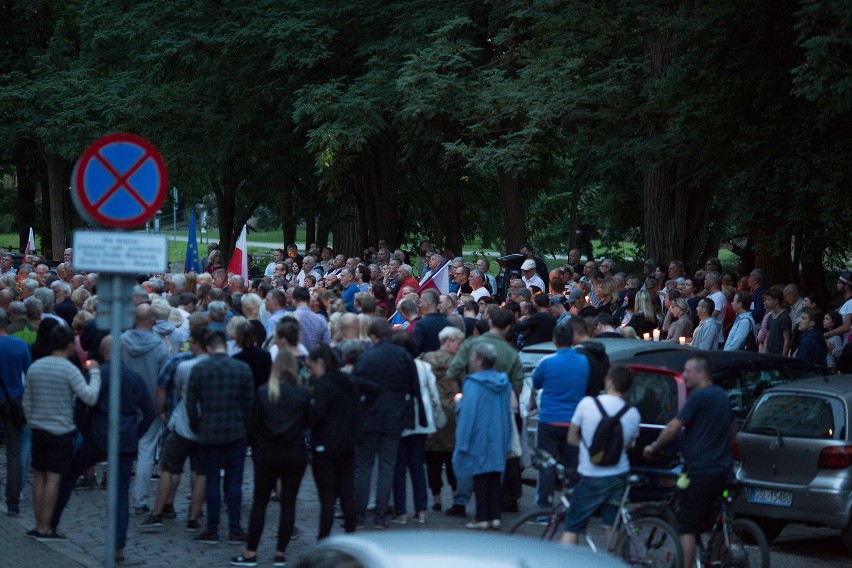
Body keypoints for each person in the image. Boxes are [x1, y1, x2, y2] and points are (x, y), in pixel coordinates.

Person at [52, 336, 154, 564]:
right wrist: (135, 433)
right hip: (124, 436)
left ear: (103, 351)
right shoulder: (134, 378)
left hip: (98, 434)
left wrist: (86, 430)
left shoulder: (98, 374)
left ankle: (52, 522)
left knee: (69, 476)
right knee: (121, 493)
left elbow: (80, 404)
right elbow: (149, 411)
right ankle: (118, 546)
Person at [643, 354, 736, 568]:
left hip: (700, 470)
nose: (684, 375)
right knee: (715, 518)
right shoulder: (723, 396)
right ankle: (721, 555)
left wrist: (654, 446)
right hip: (723, 469)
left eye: (687, 371)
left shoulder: (698, 397)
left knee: (688, 525)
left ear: (701, 373)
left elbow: (674, 427)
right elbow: (733, 431)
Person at [230, 350, 312, 567]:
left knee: (260, 502)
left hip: (267, 452)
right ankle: (279, 553)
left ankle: (250, 552)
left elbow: (253, 424)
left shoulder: (265, 391)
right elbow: (309, 422)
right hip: (294, 453)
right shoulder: (301, 394)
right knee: (288, 504)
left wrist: (257, 447)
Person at [22, 325, 101, 540]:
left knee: (38, 476)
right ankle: (46, 528)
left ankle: (38, 524)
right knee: (54, 479)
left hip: (38, 429)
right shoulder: (69, 369)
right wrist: (94, 373)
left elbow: (27, 401)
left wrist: (33, 422)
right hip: (60, 430)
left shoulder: (36, 367)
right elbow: (90, 396)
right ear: (68, 346)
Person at [352, 319, 424, 529]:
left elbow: (355, 385)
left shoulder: (367, 356)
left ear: (373, 336)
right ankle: (380, 516)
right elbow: (415, 388)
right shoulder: (403, 356)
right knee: (387, 467)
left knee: (364, 467)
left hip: (369, 416)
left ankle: (359, 515)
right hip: (395, 417)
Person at [187, 330, 254, 545]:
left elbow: (190, 403)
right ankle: (235, 528)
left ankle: (212, 528)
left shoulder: (200, 369)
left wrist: (197, 425)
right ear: (225, 347)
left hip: (208, 430)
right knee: (235, 480)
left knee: (212, 480)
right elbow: (250, 403)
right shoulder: (241, 369)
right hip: (235, 430)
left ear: (208, 348)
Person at [561, 366, 641, 545]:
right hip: (618, 474)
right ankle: (613, 560)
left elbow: (572, 437)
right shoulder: (633, 414)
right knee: (611, 525)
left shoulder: (587, 404)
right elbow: (627, 446)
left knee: (572, 527)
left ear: (610, 381)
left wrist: (587, 446)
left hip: (591, 474)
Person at [453, 342, 512, 530]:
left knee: (480, 476)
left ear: (479, 361)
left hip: (478, 434)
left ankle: (482, 517)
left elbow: (468, 413)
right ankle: (494, 516)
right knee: (494, 475)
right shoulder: (504, 383)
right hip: (499, 433)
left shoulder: (472, 383)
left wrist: (462, 441)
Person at [308, 344, 363, 539]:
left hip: (326, 445)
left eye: (312, 366)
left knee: (327, 498)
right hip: (346, 444)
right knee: (346, 492)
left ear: (320, 363)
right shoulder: (347, 381)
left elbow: (318, 415)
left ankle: (323, 538)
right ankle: (350, 533)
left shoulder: (323, 385)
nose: (311, 370)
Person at [531, 324, 589, 510]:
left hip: (549, 419)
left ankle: (543, 508)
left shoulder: (547, 362)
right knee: (572, 466)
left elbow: (536, 383)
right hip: (573, 421)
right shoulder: (583, 362)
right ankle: (571, 506)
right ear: (572, 340)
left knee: (546, 466)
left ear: (554, 340)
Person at [390, 331, 439, 524]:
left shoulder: (394, 366)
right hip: (421, 419)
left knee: (399, 466)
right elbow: (433, 394)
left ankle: (401, 510)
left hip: (400, 419)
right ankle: (421, 509)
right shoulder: (425, 367)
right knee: (417, 465)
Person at [421, 326, 464, 512]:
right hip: (452, 412)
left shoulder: (425, 359)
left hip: (432, 411)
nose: (460, 346)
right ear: (448, 342)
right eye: (458, 342)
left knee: (432, 459)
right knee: (453, 457)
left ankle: (436, 498)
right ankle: (457, 497)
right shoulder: (457, 363)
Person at [0, 307, 32, 517]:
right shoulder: (19, 345)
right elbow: (29, 373)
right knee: (14, 451)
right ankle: (13, 500)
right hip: (14, 401)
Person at [763, 288, 791, 355]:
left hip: (778, 354)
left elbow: (786, 339)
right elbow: (767, 336)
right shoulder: (770, 317)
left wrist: (783, 357)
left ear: (776, 301)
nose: (765, 302)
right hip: (769, 353)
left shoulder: (784, 317)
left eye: (768, 299)